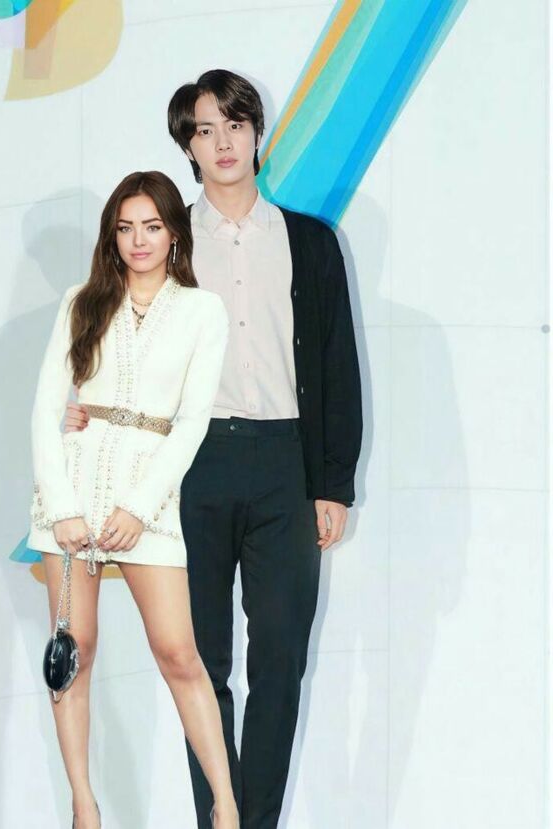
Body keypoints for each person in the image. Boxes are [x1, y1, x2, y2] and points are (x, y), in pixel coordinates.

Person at [65, 70, 363, 829]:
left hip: (284, 465)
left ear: (257, 133)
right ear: (188, 147)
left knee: (281, 658)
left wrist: (333, 483)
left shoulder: (309, 243)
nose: (223, 141)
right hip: (188, 469)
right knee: (199, 662)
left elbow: (337, 365)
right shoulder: (168, 245)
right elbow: (117, 347)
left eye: (235, 124)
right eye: (205, 129)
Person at [29, 170, 239, 829]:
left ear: (174, 232)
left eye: (152, 226)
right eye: (125, 228)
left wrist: (140, 506)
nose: (138, 240)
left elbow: (193, 421)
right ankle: (84, 806)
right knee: (75, 652)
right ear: (111, 236)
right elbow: (45, 408)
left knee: (179, 653)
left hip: (146, 499)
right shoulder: (81, 300)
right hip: (72, 493)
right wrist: (62, 506)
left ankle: (227, 807)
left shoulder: (202, 311)